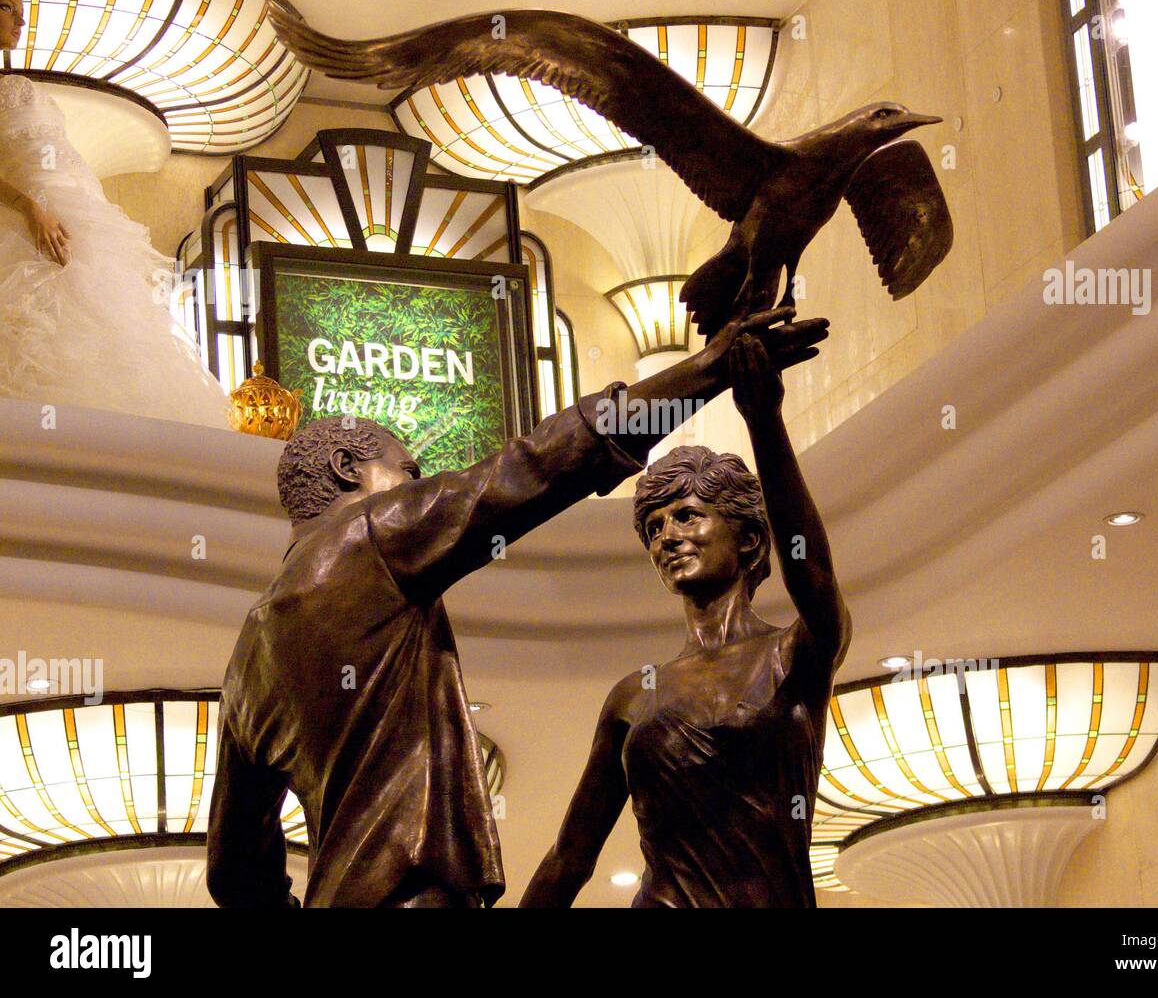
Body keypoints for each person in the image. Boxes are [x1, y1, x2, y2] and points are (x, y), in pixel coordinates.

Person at [206, 307, 828, 907]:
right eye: (409, 472)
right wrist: (707, 370)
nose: (419, 490)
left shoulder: (247, 661)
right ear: (348, 468)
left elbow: (234, 875)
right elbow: (538, 464)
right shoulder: (372, 536)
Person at [521, 332, 851, 908]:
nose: (667, 536)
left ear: (748, 539)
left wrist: (764, 421)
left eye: (687, 516)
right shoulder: (633, 695)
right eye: (653, 528)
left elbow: (812, 571)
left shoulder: (794, 654)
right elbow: (570, 857)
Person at [0, 0, 229, 426]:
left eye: (21, 11)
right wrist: (29, 207)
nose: (21, 21)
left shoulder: (15, 82)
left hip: (74, 218)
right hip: (25, 216)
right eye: (8, 7)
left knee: (101, 329)